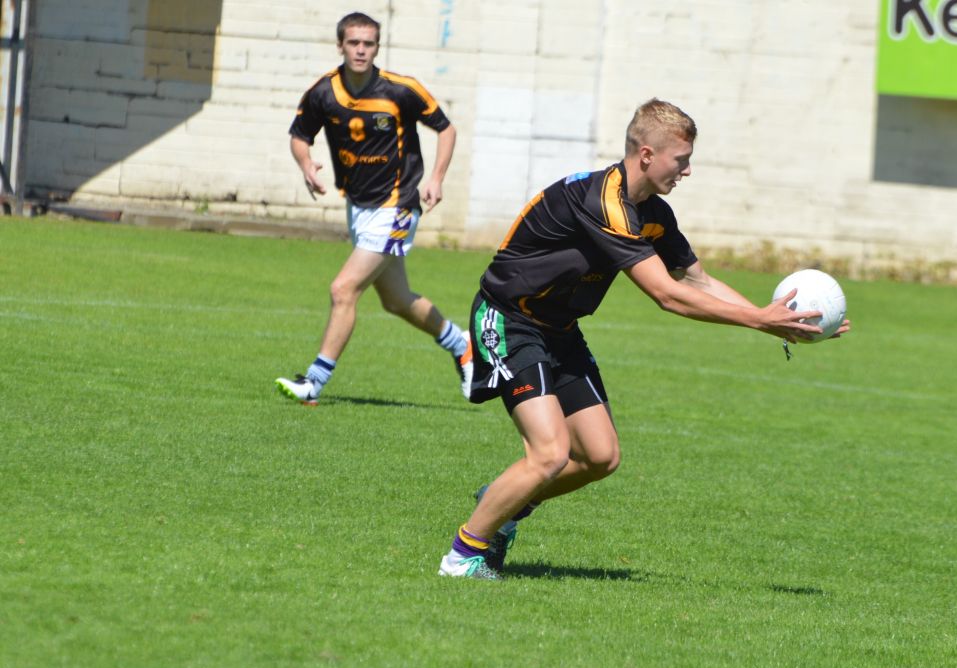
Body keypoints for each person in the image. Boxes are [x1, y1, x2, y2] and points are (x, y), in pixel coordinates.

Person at [437, 98, 848, 579]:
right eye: (682, 159)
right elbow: (667, 296)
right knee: (549, 453)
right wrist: (759, 320)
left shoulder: (654, 213)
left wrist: (774, 319)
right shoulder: (604, 203)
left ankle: (503, 501)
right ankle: (463, 556)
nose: (688, 170)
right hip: (510, 319)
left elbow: (697, 281)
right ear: (648, 155)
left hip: (560, 330)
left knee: (600, 456)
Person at [276, 11, 471, 405]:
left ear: (377, 47)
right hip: (359, 207)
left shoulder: (400, 90)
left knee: (343, 288)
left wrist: (436, 178)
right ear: (341, 46)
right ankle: (462, 345)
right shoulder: (324, 92)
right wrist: (305, 164)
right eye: (354, 43)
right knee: (396, 300)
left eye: (368, 43)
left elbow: (446, 129)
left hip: (397, 207)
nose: (361, 50)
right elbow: (299, 135)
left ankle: (313, 382)